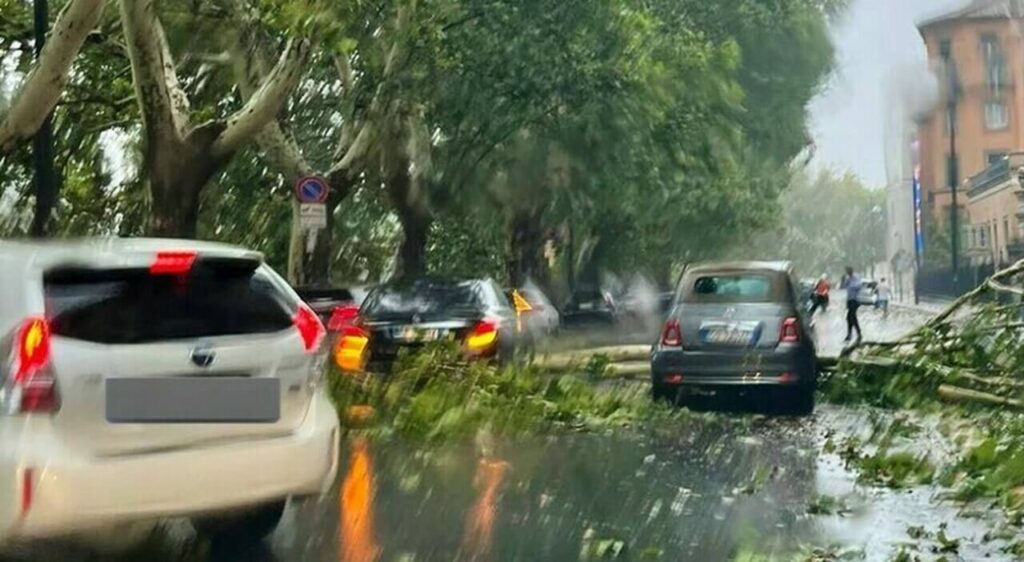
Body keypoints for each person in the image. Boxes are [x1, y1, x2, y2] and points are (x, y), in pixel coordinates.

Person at [840, 266, 862, 343]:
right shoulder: (848, 278)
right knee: (851, 318)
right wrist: (844, 281)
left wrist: (850, 284)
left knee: (850, 317)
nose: (847, 273)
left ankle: (850, 335)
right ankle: (857, 333)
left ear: (851, 271)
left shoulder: (856, 277)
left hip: (855, 300)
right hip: (849, 300)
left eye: (848, 271)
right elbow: (844, 287)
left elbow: (858, 286)